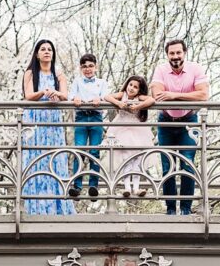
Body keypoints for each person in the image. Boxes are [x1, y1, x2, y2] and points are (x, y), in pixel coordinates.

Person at [149, 39, 210, 215]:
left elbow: (203, 95)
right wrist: (185, 96)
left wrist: (174, 95)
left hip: (188, 121)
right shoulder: (161, 70)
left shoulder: (195, 68)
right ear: (167, 55)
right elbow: (158, 94)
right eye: (171, 53)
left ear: (184, 52)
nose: (175, 56)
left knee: (187, 164)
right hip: (166, 121)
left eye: (178, 53)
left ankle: (185, 209)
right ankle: (170, 209)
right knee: (167, 164)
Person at [21, 39, 74, 215]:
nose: (46, 52)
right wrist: (43, 92)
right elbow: (28, 96)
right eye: (42, 49)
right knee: (35, 159)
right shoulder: (30, 73)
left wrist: (56, 93)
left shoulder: (59, 75)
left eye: (49, 49)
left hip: (53, 120)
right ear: (37, 53)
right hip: (35, 118)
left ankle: (59, 207)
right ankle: (34, 207)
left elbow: (65, 96)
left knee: (54, 158)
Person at [104, 75, 156, 198]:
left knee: (137, 159)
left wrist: (138, 106)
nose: (132, 88)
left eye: (135, 87)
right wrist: (118, 103)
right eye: (130, 85)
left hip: (138, 132)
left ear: (139, 90)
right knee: (126, 159)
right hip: (122, 131)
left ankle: (137, 188)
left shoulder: (139, 97)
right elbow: (106, 96)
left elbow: (151, 100)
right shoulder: (122, 95)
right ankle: (127, 188)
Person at [67, 53, 109, 200]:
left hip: (96, 117)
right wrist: (75, 98)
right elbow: (70, 96)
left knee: (94, 150)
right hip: (81, 117)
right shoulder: (77, 82)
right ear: (80, 68)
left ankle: (93, 186)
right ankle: (76, 186)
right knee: (79, 149)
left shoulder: (102, 83)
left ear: (95, 67)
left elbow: (106, 97)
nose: (88, 69)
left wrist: (100, 98)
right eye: (84, 66)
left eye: (90, 66)